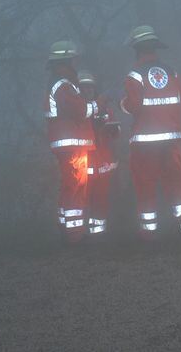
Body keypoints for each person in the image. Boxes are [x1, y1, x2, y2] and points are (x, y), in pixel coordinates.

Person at [120, 25, 181, 239]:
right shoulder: (172, 72)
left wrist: (122, 104)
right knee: (176, 180)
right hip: (171, 137)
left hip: (145, 141)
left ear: (136, 50)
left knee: (146, 183)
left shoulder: (134, 76)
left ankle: (149, 231)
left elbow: (134, 105)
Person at [45, 40, 99, 244]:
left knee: (69, 185)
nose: (75, 64)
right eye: (72, 60)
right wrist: (99, 104)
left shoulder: (58, 83)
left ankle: (64, 227)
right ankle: (75, 234)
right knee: (77, 185)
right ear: (65, 62)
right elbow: (81, 110)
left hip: (66, 143)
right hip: (72, 143)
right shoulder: (63, 85)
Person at [78, 70, 118, 238]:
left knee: (101, 201)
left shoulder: (105, 109)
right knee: (81, 200)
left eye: (90, 88)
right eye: (84, 88)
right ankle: (79, 234)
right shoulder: (77, 111)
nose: (88, 91)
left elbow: (115, 132)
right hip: (82, 166)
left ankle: (98, 235)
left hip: (103, 165)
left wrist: (112, 129)